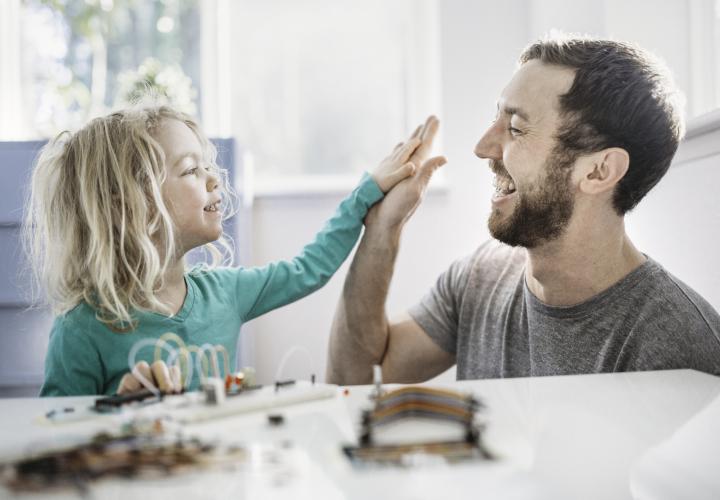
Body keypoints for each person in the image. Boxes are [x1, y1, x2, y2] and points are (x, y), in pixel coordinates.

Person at [326, 35, 720, 385]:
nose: (482, 147)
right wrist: (383, 226)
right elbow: (353, 381)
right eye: (494, 118)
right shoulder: (482, 276)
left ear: (599, 171)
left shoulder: (678, 350)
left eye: (515, 128)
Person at [27, 104, 446, 396]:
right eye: (192, 169)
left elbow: (310, 268)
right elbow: (55, 435)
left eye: (208, 165)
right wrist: (115, 411)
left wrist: (367, 192)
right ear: (128, 204)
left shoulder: (225, 293)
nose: (214, 179)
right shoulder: (82, 329)